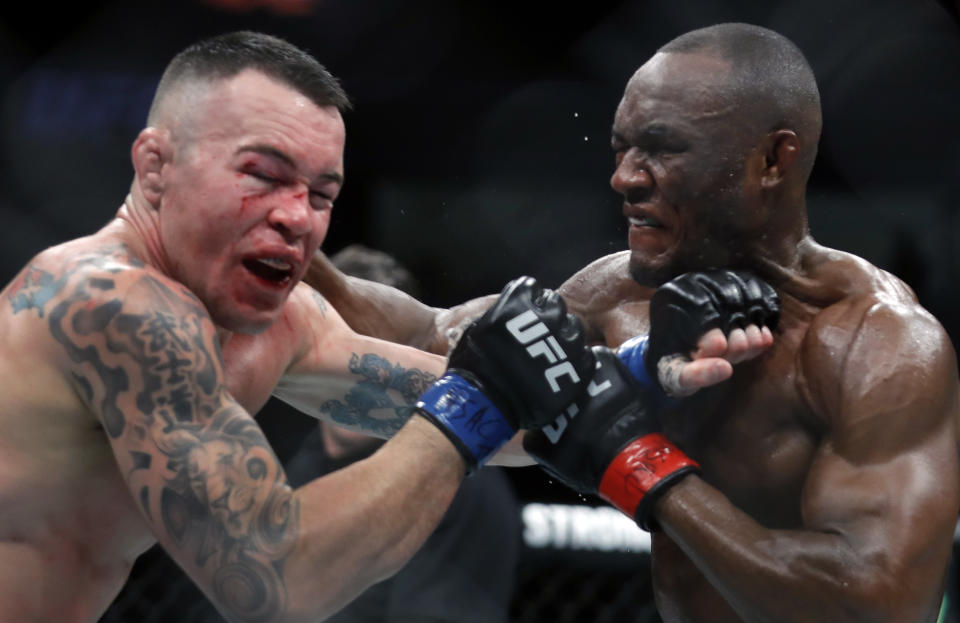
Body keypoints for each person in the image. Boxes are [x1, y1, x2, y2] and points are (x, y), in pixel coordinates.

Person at [305, 22, 960, 623]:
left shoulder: (880, 343)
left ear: (773, 159)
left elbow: (879, 605)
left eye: (662, 149)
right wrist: (297, 256)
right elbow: (432, 339)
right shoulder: (618, 290)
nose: (623, 177)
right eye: (621, 148)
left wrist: (635, 460)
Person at [0, 30, 611, 623]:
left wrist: (640, 372)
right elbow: (276, 582)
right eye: (263, 175)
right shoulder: (108, 302)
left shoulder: (280, 324)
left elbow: (508, 417)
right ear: (155, 165)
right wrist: (474, 402)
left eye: (321, 195)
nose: (297, 217)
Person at [284, 244, 521, 623]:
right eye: (342, 353)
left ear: (399, 361)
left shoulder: (463, 481)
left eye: (367, 360)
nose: (352, 374)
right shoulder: (290, 457)